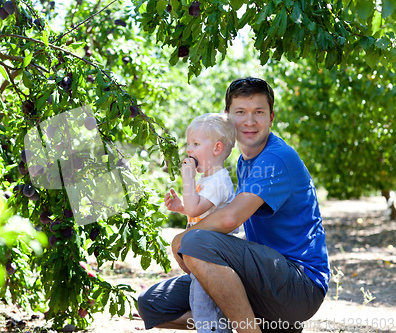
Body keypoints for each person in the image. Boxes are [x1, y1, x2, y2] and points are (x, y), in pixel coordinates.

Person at [137, 77, 331, 333]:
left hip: (299, 285)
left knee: (194, 241)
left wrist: (181, 240)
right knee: (151, 304)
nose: (249, 121)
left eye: (258, 112)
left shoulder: (276, 158)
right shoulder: (244, 161)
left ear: (271, 116)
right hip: (260, 279)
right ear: (228, 117)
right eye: (241, 112)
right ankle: (268, 326)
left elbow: (230, 219)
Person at [164, 113, 238, 333]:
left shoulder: (219, 180)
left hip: (211, 258)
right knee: (201, 309)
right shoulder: (209, 180)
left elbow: (196, 208)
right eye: (189, 144)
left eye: (195, 144)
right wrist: (180, 207)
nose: (189, 149)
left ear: (216, 149)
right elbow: (200, 209)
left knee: (207, 312)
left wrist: (188, 179)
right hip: (202, 257)